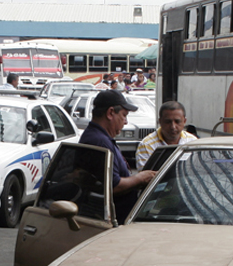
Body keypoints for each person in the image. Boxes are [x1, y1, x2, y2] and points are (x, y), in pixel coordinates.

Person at [79, 90, 156, 223]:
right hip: (112, 221)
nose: (125, 122)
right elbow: (113, 186)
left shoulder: (97, 137)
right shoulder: (99, 141)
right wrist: (140, 178)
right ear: (110, 113)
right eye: (124, 115)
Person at [135, 101, 198, 169]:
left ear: (184, 121)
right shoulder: (146, 145)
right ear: (160, 122)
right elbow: (145, 177)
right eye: (168, 122)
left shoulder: (193, 142)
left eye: (177, 121)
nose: (173, 126)